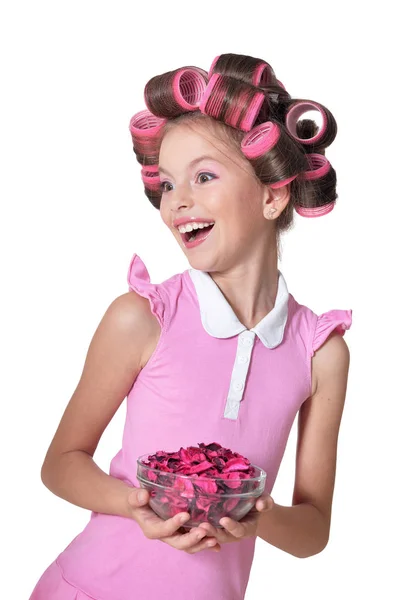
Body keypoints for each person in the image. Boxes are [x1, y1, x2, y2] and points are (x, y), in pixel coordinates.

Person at [29, 53, 352, 600]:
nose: (177, 200)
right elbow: (60, 465)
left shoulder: (319, 352)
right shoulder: (142, 318)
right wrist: (136, 504)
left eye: (203, 176)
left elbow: (313, 531)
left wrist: (258, 517)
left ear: (273, 195)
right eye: (169, 183)